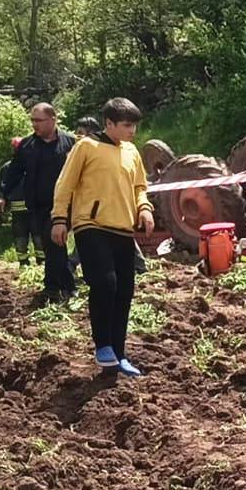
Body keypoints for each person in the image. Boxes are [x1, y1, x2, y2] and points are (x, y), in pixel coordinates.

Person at [49, 98, 154, 377]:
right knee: (105, 283)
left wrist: (144, 208)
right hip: (91, 225)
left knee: (124, 291)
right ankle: (103, 345)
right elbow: (65, 183)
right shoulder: (86, 146)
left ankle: (119, 353)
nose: (133, 130)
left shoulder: (132, 152)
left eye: (135, 125)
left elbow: (140, 187)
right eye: (127, 125)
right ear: (109, 123)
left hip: (122, 229)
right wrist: (60, 219)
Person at [0, 104, 76, 303]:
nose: (34, 125)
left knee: (54, 243)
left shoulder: (71, 143)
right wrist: (2, 195)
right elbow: (13, 172)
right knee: (52, 246)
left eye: (38, 120)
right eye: (32, 120)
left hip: (64, 205)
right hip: (37, 205)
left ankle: (58, 286)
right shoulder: (27, 145)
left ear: (53, 119)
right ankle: (62, 285)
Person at [0, 138, 39, 267]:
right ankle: (24, 263)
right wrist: (2, 199)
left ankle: (41, 263)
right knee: (22, 238)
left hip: (35, 208)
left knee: (38, 237)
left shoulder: (35, 163)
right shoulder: (7, 167)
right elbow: (3, 186)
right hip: (19, 209)